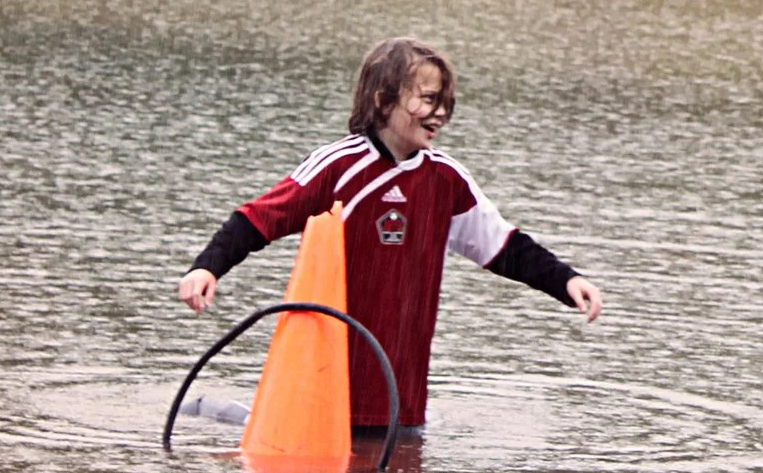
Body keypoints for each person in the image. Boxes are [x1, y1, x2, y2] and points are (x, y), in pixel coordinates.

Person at [176, 37, 601, 429]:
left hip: (402, 396)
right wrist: (206, 268)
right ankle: (211, 410)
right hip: (325, 386)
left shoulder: (446, 180)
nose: (441, 113)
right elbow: (258, 219)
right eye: (429, 99)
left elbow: (505, 247)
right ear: (383, 102)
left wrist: (566, 280)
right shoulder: (336, 166)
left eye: (447, 102)